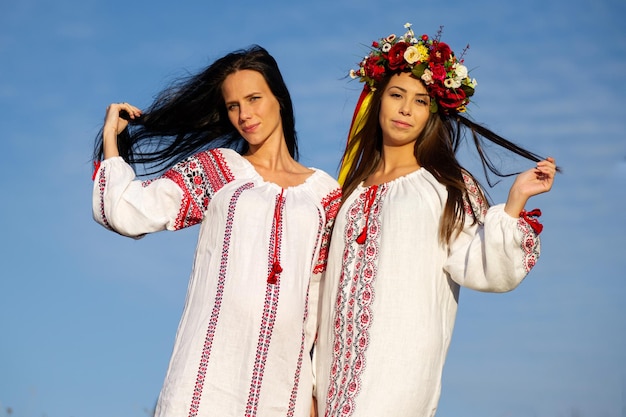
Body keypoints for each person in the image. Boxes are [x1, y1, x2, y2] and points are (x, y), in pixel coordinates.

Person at [313, 24, 557, 416]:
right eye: (396, 95)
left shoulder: (446, 187)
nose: (406, 109)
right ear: (377, 101)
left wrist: (514, 202)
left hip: (398, 379)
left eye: (421, 100)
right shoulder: (347, 194)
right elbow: (317, 287)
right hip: (326, 382)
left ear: (433, 113)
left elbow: (486, 267)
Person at [91, 45, 341, 417]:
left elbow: (325, 301)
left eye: (254, 98)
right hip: (207, 375)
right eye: (233, 106)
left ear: (280, 99)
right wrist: (112, 137)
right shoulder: (219, 171)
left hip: (284, 386)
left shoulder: (326, 194)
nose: (245, 114)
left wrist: (318, 393)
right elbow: (129, 211)